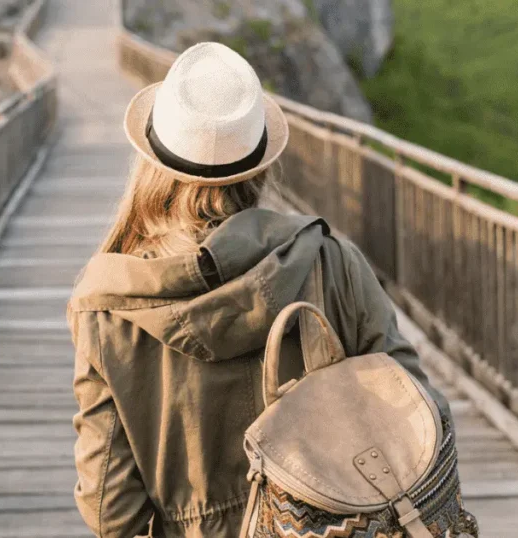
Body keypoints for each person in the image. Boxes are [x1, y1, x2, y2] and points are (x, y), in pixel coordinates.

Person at [66, 42, 455, 537]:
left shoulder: (105, 305)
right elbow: (420, 407)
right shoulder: (329, 260)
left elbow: (109, 506)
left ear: (151, 162)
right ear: (260, 162)